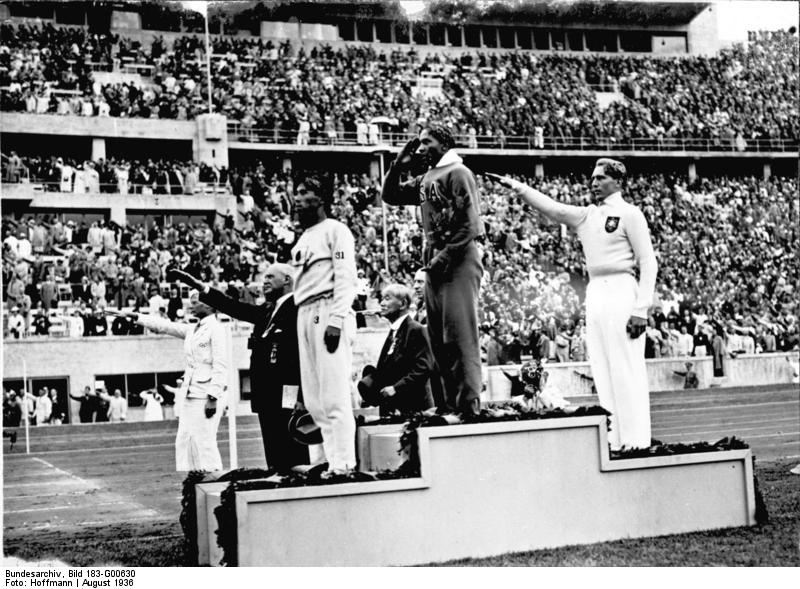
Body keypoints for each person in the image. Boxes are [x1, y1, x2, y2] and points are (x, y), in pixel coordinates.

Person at [487, 158, 658, 450]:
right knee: (602, 367)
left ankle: (637, 440)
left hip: (621, 288)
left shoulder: (630, 214)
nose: (594, 184)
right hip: (596, 291)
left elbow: (648, 261)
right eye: (592, 179)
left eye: (600, 178)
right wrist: (517, 186)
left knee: (625, 366)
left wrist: (641, 308)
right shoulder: (587, 215)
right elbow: (552, 208)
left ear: (617, 182)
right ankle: (615, 439)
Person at [381, 126, 484, 416]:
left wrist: (440, 259)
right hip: (436, 261)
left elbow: (470, 225)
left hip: (458, 260)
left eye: (428, 142)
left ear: (444, 144)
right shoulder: (428, 177)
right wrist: (397, 166)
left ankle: (468, 407)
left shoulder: (458, 173)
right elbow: (391, 196)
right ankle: (448, 404)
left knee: (460, 336)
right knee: (439, 339)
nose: (421, 147)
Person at [169, 264, 309, 475]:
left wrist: (300, 397)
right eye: (264, 277)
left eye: (271, 276)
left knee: (293, 453)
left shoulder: (299, 308)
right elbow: (234, 307)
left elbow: (303, 355)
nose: (265, 281)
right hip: (267, 395)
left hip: (288, 395)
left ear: (288, 280)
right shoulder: (268, 310)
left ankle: (300, 496)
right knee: (274, 455)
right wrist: (202, 288)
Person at [106, 291, 229, 472]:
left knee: (205, 440)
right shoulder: (193, 329)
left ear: (209, 306)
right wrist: (134, 316)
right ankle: (191, 480)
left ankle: (215, 482)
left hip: (205, 394)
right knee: (184, 439)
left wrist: (213, 397)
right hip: (189, 392)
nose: (191, 305)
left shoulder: (216, 329)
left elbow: (220, 364)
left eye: (195, 302)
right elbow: (165, 325)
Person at [291, 175, 359, 478]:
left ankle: (345, 463)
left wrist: (336, 318)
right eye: (296, 192)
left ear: (320, 198)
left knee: (334, 394)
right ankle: (331, 461)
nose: (297, 197)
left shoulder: (336, 231)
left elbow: (346, 276)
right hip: (304, 311)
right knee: (316, 399)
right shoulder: (303, 237)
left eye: (304, 192)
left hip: (327, 307)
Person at [358, 283, 435, 416]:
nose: (382, 303)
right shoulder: (394, 331)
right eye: (382, 299)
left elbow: (424, 367)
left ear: (403, 304)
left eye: (387, 298)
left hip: (415, 408)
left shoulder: (417, 330)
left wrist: (396, 388)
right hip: (395, 409)